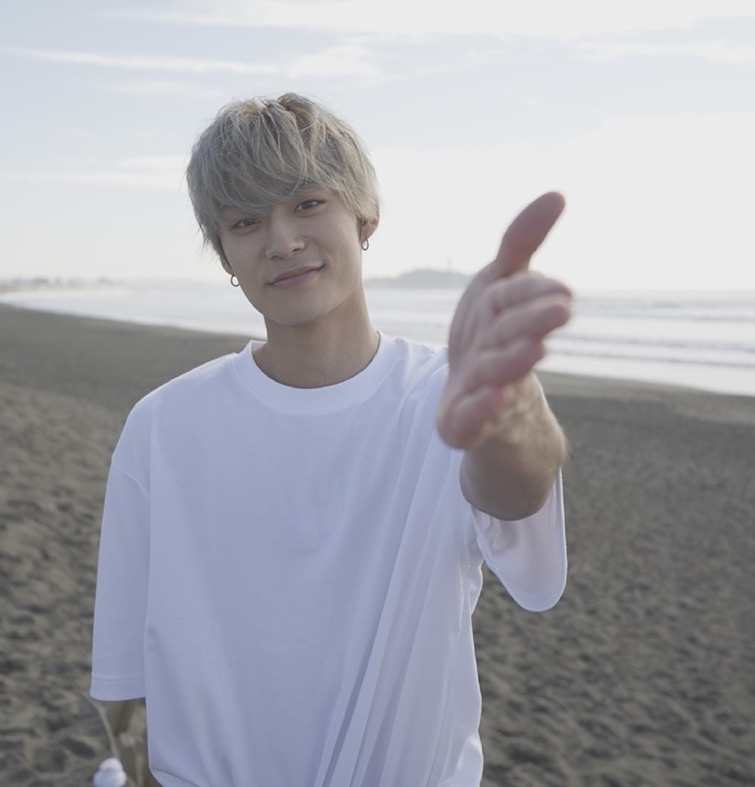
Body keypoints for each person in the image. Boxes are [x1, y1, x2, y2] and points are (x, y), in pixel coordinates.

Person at [89, 93, 573, 786]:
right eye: (246, 221)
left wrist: (510, 414)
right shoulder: (164, 427)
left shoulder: (443, 393)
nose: (282, 240)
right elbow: (123, 681)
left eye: (308, 203)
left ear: (365, 216)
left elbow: (516, 492)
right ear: (225, 254)